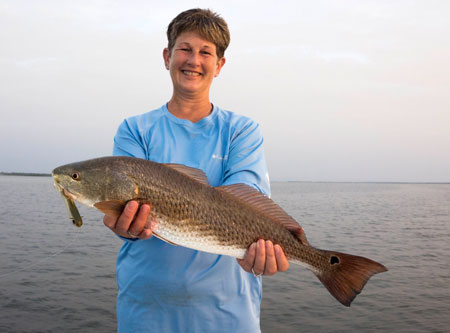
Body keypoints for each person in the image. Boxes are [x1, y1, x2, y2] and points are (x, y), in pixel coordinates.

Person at [103, 8, 304, 332]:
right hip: (145, 313)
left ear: (219, 64)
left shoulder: (242, 130)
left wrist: (273, 245)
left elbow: (246, 198)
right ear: (167, 56)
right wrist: (121, 225)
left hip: (228, 315)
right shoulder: (134, 129)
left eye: (205, 52)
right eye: (184, 49)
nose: (193, 60)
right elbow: (119, 212)